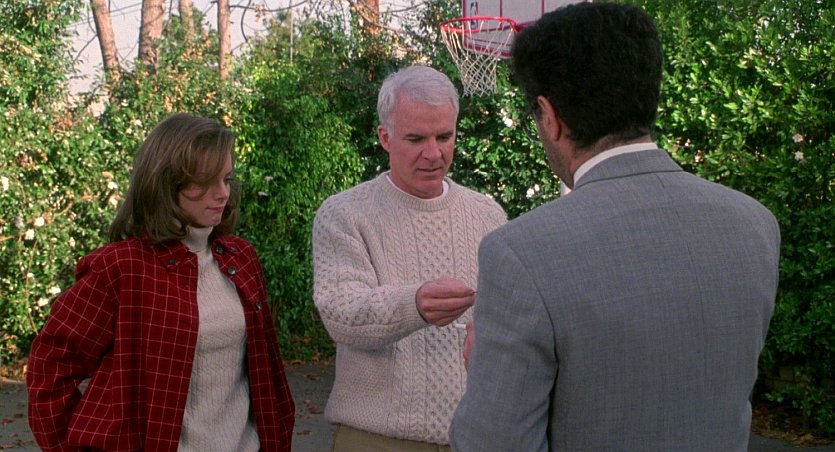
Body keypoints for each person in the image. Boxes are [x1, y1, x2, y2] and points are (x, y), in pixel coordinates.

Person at [450, 3, 781, 451]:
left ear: (550, 115)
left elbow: (493, 443)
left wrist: (485, 374)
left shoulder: (520, 253)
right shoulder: (755, 226)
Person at [27, 113, 295, 451]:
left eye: (227, 179)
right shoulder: (122, 267)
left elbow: (268, 378)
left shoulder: (241, 259)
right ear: (167, 182)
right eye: (205, 181)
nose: (222, 193)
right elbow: (51, 366)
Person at [312, 65, 506, 451]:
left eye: (444, 136)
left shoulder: (488, 215)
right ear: (385, 137)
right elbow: (339, 311)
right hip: (375, 440)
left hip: (473, 437)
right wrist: (414, 304)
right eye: (415, 139)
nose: (433, 153)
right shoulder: (344, 214)